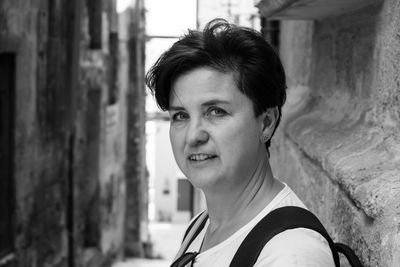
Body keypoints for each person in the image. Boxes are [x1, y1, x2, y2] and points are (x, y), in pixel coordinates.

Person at [145, 19, 335, 267]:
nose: (193, 136)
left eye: (216, 112)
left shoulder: (291, 254)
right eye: (181, 116)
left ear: (266, 123)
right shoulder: (200, 226)